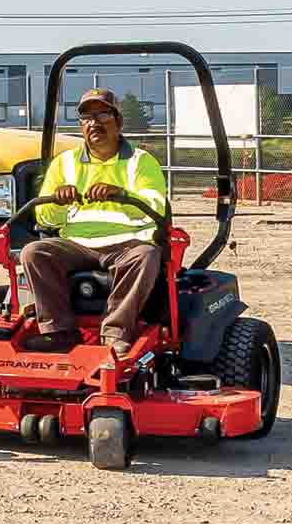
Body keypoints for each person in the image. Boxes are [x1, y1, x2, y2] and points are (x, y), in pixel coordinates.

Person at [11, 88, 172, 353]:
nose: (94, 123)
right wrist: (57, 202)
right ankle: (59, 331)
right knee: (33, 252)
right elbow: (44, 217)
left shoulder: (141, 162)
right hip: (77, 243)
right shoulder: (64, 163)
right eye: (86, 117)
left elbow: (154, 207)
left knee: (147, 255)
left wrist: (122, 195)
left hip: (127, 244)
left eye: (102, 115)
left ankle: (116, 332)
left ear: (118, 122)